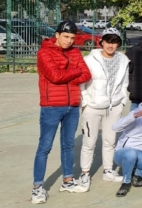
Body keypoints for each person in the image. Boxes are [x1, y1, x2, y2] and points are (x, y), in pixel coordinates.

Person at [31, 21, 92, 203]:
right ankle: (37, 187)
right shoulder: (44, 53)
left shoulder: (75, 52)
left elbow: (86, 74)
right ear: (57, 35)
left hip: (72, 105)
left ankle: (67, 180)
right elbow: (55, 76)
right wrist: (74, 72)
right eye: (66, 37)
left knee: (68, 145)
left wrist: (67, 75)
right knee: (45, 147)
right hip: (51, 106)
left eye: (72, 38)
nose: (69, 41)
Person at [78, 28, 129, 190]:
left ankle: (108, 171)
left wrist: (121, 102)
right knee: (89, 141)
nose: (111, 45)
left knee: (110, 141)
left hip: (114, 107)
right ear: (102, 42)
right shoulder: (90, 59)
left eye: (114, 42)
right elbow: (82, 83)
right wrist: (85, 103)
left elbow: (124, 84)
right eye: (108, 41)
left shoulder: (123, 60)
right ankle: (85, 173)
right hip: (93, 107)